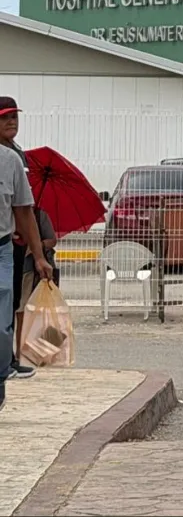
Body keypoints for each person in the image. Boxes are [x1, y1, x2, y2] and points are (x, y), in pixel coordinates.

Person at [1, 104, 54, 414]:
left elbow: (23, 208)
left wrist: (38, 252)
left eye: (14, 117)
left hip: (6, 245)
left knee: (6, 309)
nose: (11, 122)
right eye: (5, 117)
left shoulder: (13, 157)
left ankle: (4, 367)